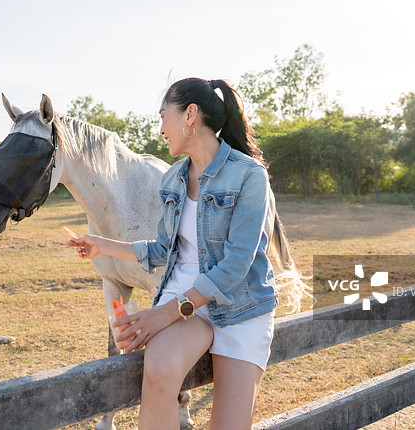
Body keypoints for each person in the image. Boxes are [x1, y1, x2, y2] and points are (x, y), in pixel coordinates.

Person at [67, 77, 278, 430]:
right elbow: (164, 249)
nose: (161, 127)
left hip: (239, 307)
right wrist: (102, 243)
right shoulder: (173, 179)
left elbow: (236, 265)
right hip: (184, 305)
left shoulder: (249, 176)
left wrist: (165, 312)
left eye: (164, 116)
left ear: (190, 115)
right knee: (159, 378)